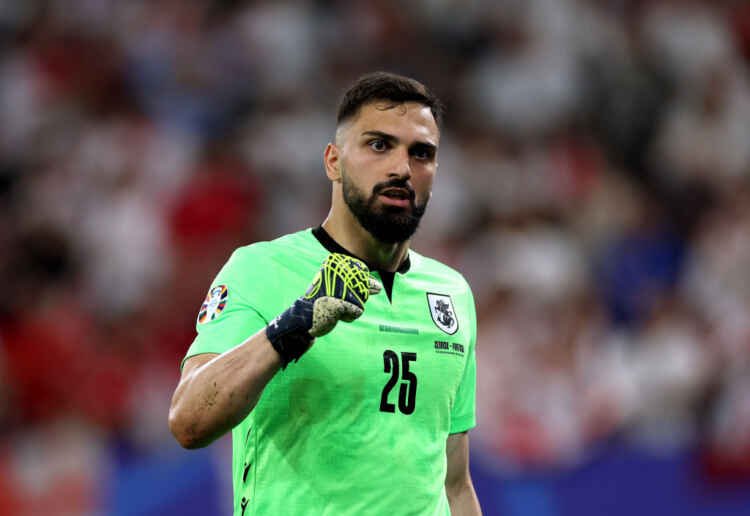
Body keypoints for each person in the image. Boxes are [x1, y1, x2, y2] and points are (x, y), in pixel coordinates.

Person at [169, 71, 481, 515]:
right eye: (379, 145)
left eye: (421, 154)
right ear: (333, 161)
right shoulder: (261, 269)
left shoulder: (451, 293)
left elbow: (454, 484)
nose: (401, 168)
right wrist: (292, 326)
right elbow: (189, 421)